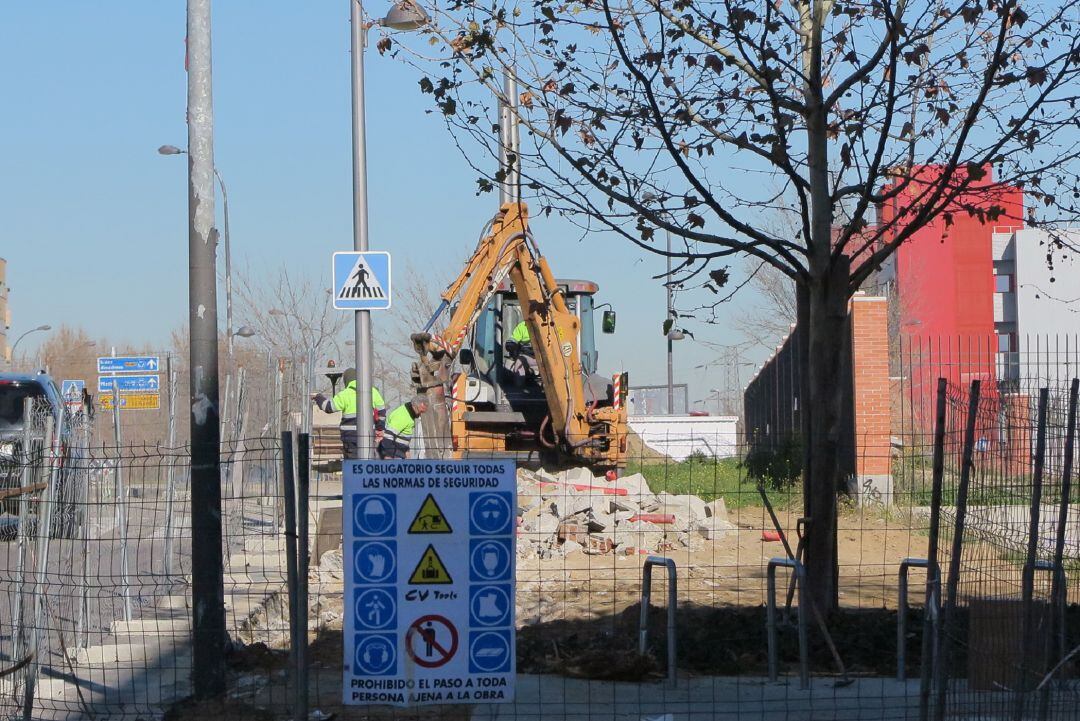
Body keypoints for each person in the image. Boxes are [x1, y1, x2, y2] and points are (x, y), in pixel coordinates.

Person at [313, 367, 386, 458]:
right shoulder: (372, 391)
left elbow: (327, 407)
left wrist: (318, 397)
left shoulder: (344, 394)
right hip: (368, 435)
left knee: (353, 466)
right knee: (368, 461)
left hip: (350, 438)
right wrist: (379, 428)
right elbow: (382, 412)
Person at [378, 395, 430, 459]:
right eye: (420, 411)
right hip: (392, 454)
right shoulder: (402, 416)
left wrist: (406, 451)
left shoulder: (409, 415)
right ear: (414, 406)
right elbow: (387, 439)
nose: (420, 415)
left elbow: (402, 437)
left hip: (399, 452)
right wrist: (388, 457)